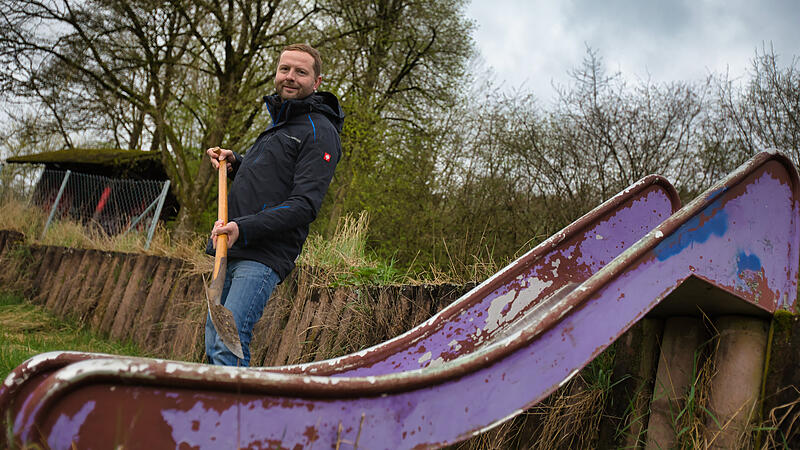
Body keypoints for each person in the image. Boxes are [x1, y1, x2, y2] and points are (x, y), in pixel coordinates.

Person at [204, 43, 344, 366]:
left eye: (300, 71)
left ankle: (238, 416)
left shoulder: (319, 131)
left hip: (263, 255)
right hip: (232, 246)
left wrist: (244, 227)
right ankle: (216, 413)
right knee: (215, 341)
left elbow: (304, 205)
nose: (290, 77)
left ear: (317, 82)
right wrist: (234, 162)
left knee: (230, 342)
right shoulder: (280, 123)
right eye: (285, 69)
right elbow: (269, 179)